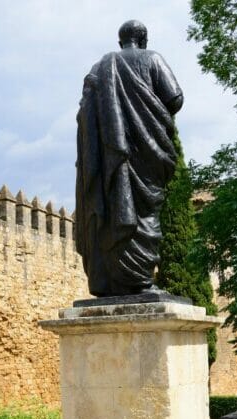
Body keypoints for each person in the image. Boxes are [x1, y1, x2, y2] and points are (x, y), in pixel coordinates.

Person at [75, 20, 183, 297]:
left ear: (120, 41)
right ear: (143, 39)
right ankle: (138, 280)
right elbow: (175, 99)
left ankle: (112, 281)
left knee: (114, 212)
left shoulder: (101, 67)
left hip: (111, 157)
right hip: (148, 153)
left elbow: (85, 113)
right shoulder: (152, 59)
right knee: (144, 214)